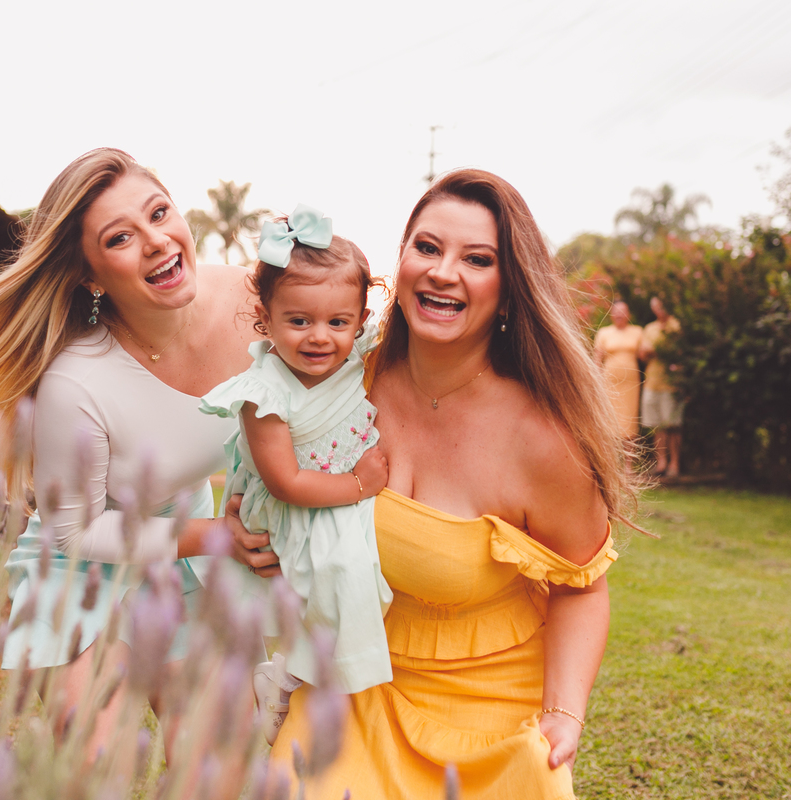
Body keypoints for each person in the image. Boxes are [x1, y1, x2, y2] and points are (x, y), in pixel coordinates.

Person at [0, 148, 278, 758]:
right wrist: (215, 536)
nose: (155, 240)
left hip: (184, 548)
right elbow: (77, 532)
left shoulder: (257, 304)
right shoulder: (79, 381)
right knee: (96, 767)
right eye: (121, 237)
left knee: (217, 762)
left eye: (159, 213)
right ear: (92, 276)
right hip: (81, 559)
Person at [267, 169, 636, 799]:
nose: (443, 272)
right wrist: (249, 531)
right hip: (351, 683)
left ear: (510, 288)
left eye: (478, 259)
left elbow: (582, 585)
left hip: (485, 718)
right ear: (402, 260)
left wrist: (563, 713)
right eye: (428, 248)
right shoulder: (337, 380)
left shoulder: (542, 441)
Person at [199, 206, 393, 744]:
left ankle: (288, 674)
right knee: (343, 578)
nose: (319, 337)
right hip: (297, 503)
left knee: (367, 589)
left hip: (342, 492)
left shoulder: (358, 354)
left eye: (338, 322)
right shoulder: (264, 393)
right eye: (299, 320)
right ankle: (286, 681)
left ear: (358, 320)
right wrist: (358, 485)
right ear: (266, 316)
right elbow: (285, 480)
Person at [640, 296, 684, 477]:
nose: (660, 310)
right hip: (652, 381)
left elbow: (676, 350)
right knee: (657, 425)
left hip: (671, 383)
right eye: (656, 307)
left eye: (662, 306)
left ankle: (675, 464)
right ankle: (661, 463)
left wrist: (656, 349)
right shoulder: (650, 328)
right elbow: (642, 354)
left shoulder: (676, 325)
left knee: (672, 425)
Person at [594, 300, 646, 448]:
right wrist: (595, 382)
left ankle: (628, 465)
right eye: (616, 312)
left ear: (628, 314)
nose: (619, 315)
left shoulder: (637, 331)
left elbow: (643, 356)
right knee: (610, 418)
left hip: (631, 383)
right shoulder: (604, 332)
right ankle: (612, 462)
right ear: (611, 315)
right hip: (609, 382)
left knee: (630, 420)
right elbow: (597, 359)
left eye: (622, 311)